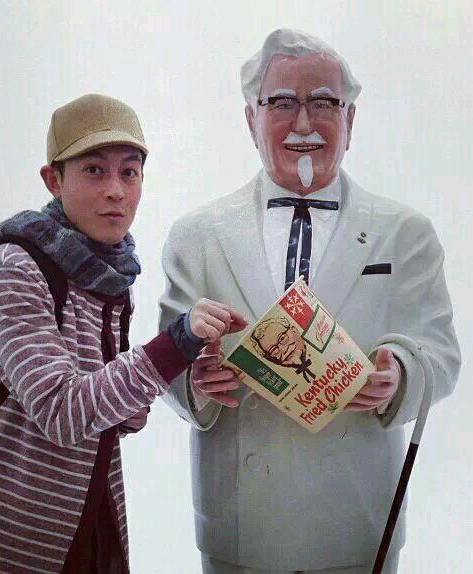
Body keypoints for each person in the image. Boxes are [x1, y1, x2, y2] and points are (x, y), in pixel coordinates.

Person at [158, 29, 461, 574]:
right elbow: (165, 359)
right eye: (281, 103)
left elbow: (441, 351)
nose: (303, 123)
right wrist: (195, 380)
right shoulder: (196, 237)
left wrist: (401, 373)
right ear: (250, 119)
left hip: (359, 522)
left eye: (323, 103)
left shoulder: (405, 233)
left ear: (351, 120)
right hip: (240, 525)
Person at [0, 93, 246, 573]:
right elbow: (63, 413)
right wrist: (176, 342)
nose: (116, 190)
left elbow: (120, 417)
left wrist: (190, 372)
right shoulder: (13, 270)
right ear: (53, 180)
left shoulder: (109, 277)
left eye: (129, 172)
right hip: (4, 542)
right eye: (95, 170)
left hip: (94, 532)